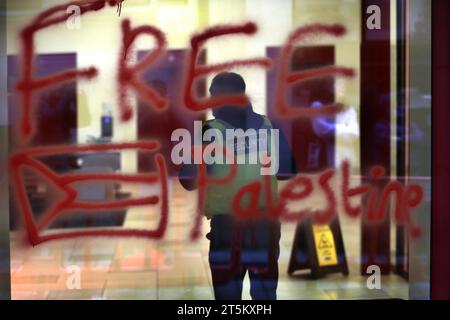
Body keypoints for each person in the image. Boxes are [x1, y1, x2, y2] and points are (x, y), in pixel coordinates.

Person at [178, 72, 295, 300]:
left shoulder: (209, 133)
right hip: (265, 226)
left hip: (227, 228)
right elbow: (288, 171)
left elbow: (187, 180)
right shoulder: (269, 126)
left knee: (228, 297)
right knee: (264, 295)